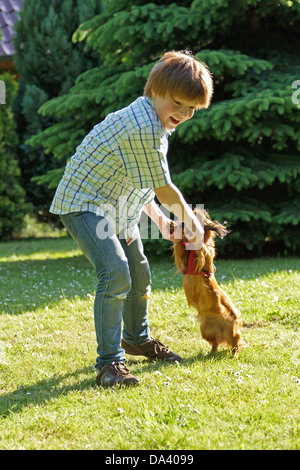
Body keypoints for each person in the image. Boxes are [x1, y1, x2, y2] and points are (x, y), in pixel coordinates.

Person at [50, 50, 213, 388]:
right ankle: (109, 364)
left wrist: (159, 220)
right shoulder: (142, 127)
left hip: (116, 206)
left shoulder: (155, 121)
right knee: (116, 273)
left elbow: (139, 181)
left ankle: (136, 339)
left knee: (139, 274)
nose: (183, 114)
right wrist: (193, 225)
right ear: (155, 90)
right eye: (178, 104)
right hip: (84, 205)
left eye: (192, 110)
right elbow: (164, 188)